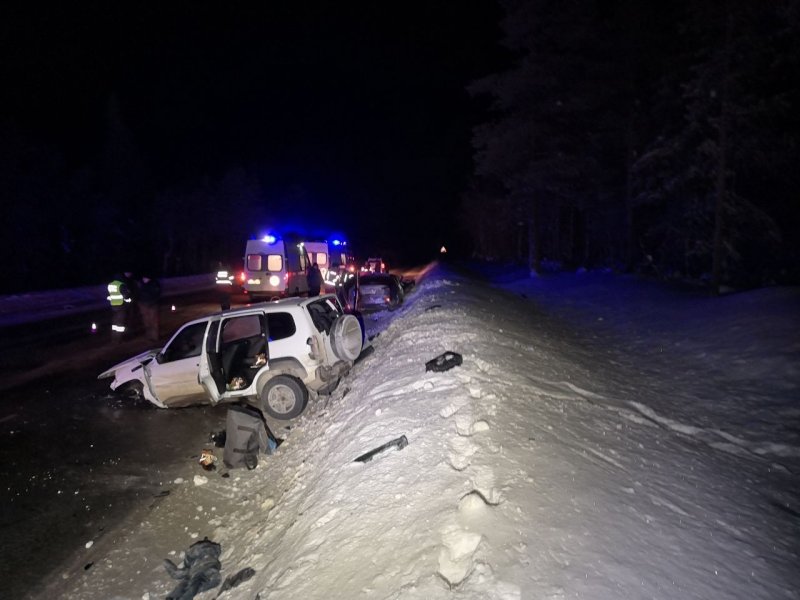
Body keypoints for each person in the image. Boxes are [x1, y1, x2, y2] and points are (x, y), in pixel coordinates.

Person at [106, 274, 132, 344]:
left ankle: (113, 338)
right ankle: (118, 340)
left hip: (113, 306)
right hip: (121, 305)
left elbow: (108, 295)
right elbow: (126, 295)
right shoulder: (121, 285)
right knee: (120, 324)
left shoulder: (110, 285)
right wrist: (129, 301)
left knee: (114, 323)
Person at [139, 274, 162, 343]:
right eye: (143, 278)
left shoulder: (154, 284)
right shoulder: (140, 284)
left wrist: (153, 302)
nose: (144, 279)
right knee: (146, 321)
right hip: (143, 305)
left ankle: (154, 337)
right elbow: (138, 294)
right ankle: (148, 335)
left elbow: (157, 294)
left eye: (145, 278)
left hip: (152, 305)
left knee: (153, 321)